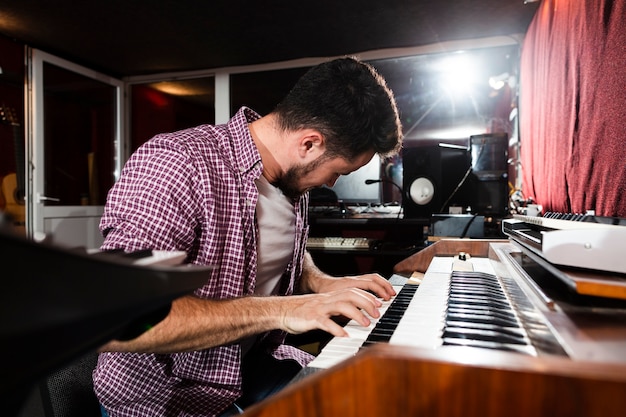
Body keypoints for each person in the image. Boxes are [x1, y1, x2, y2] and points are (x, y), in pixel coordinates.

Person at [93, 56, 403, 417]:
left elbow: (271, 251)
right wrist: (284, 310)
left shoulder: (289, 179)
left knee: (372, 395)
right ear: (309, 144)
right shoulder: (176, 163)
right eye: (337, 172)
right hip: (168, 399)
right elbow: (118, 320)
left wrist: (320, 283)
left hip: (248, 370)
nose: (331, 184)